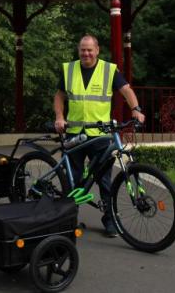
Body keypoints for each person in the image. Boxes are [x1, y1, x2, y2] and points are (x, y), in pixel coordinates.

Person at [53, 34, 145, 237]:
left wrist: (136, 109)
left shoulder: (108, 70)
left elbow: (126, 90)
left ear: (97, 50)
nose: (86, 53)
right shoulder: (69, 69)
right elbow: (59, 96)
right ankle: (69, 221)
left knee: (104, 180)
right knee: (73, 180)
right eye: (82, 50)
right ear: (79, 51)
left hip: (100, 135)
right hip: (74, 133)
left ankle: (110, 220)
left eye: (89, 50)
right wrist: (59, 116)